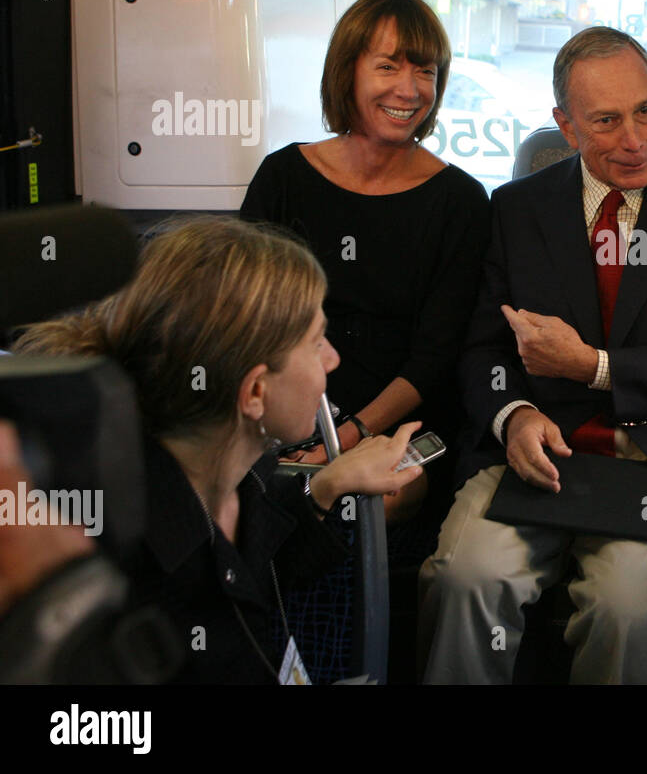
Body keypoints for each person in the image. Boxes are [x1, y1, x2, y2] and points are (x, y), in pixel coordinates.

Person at [417, 26, 647, 684]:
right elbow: (482, 347)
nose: (636, 139)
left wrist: (592, 367)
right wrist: (512, 416)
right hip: (535, 448)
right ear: (565, 127)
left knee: (625, 610)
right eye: (606, 121)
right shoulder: (514, 210)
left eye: (646, 110)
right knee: (465, 578)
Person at [13, 216, 425, 683]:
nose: (332, 358)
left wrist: (325, 486)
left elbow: (256, 573)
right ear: (254, 394)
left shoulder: (241, 474)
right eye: (316, 344)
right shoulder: (138, 583)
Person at [239, 0, 490, 526]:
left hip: (399, 424)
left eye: (424, 71)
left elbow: (434, 360)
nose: (409, 89)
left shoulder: (462, 203)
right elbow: (245, 322)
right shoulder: (282, 179)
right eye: (388, 67)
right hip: (282, 410)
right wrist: (279, 430)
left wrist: (344, 443)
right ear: (347, 72)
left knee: (359, 502)